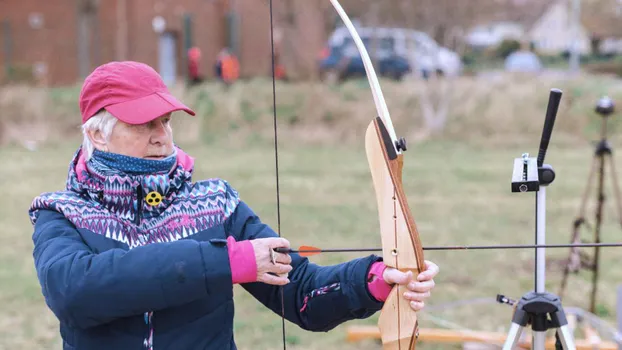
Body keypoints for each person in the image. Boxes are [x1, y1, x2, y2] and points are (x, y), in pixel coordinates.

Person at [28, 61, 439, 350]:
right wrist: (227, 262)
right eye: (143, 123)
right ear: (97, 135)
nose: (161, 136)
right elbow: (75, 293)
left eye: (166, 120)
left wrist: (374, 279)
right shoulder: (61, 212)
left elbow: (302, 295)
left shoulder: (214, 204)